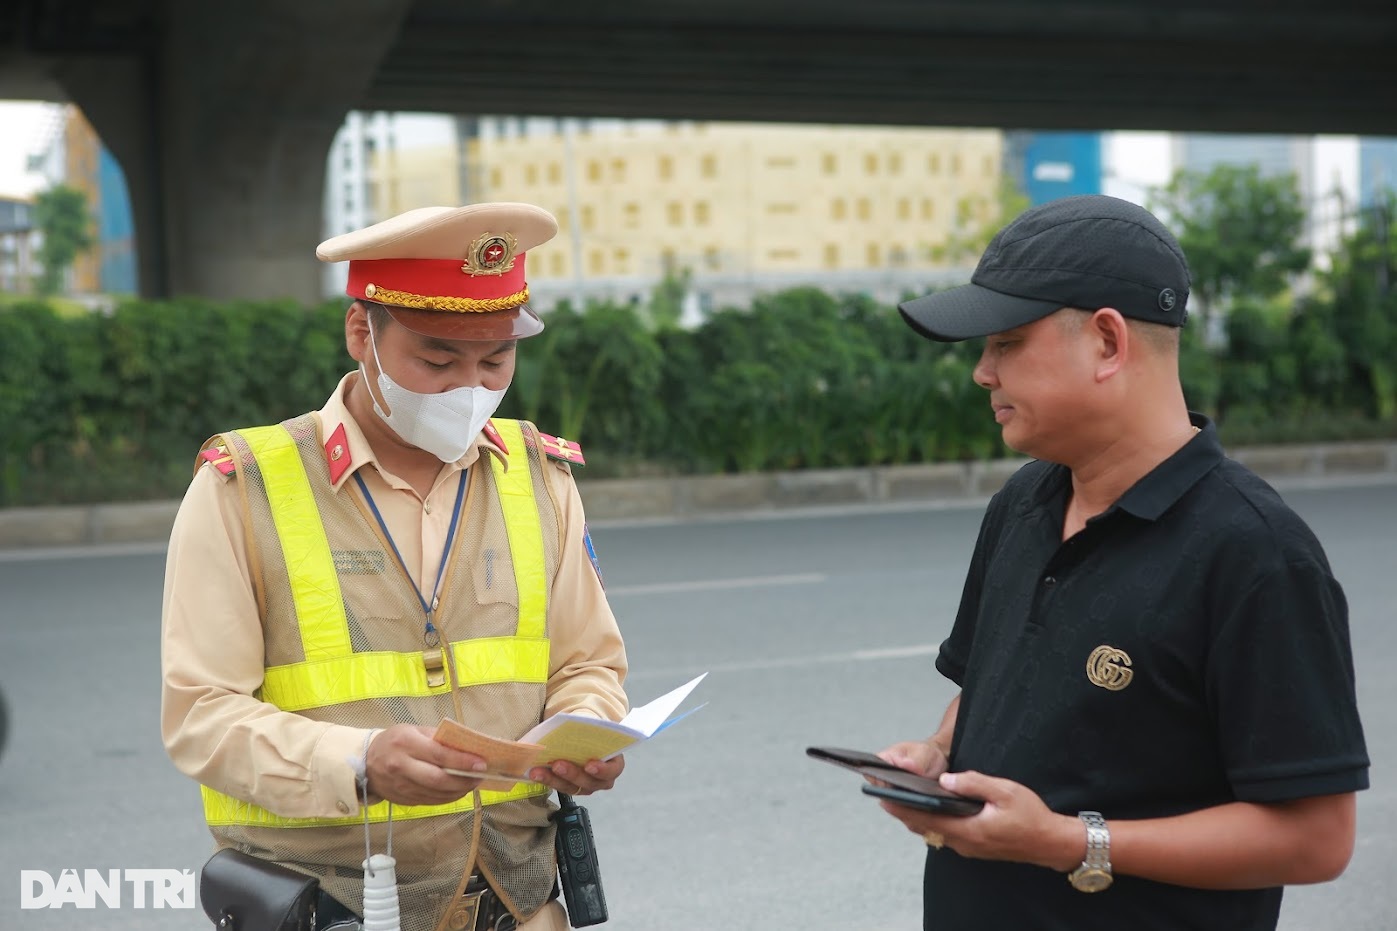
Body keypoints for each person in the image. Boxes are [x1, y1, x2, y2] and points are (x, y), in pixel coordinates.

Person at [877, 194, 1369, 931]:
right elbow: (992, 688)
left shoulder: (1254, 552)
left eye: (1005, 342)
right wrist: (938, 754)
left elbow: (1315, 838)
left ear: (1107, 341)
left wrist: (1071, 842)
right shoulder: (1023, 503)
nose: (982, 372)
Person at [161, 203, 628, 931]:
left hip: (521, 900)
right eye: (438, 359)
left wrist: (586, 731)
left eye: (496, 359)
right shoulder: (243, 487)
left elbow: (588, 661)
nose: (468, 386)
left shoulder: (538, 476)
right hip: (334, 903)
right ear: (361, 333)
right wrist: (357, 759)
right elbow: (201, 715)